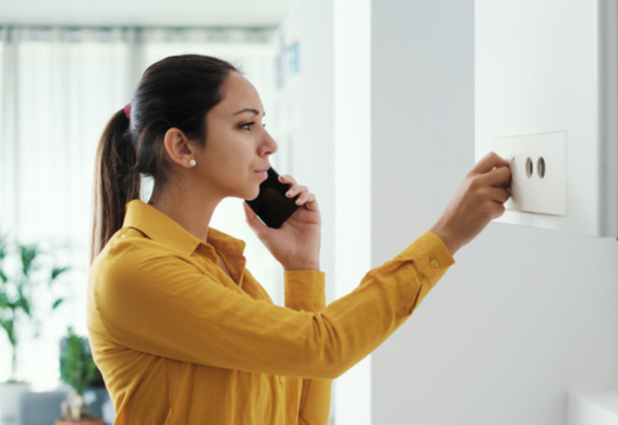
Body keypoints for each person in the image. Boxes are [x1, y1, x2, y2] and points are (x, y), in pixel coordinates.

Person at [87, 54, 511, 425]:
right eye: (247, 125)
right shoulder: (134, 270)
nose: (269, 144)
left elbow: (302, 417)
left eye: (262, 125)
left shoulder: (227, 273)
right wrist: (445, 237)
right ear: (181, 146)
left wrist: (302, 268)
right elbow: (324, 349)